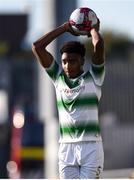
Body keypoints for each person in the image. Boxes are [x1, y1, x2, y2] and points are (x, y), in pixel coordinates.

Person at [32, 18, 105, 179]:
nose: (67, 66)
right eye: (64, 62)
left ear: (82, 61)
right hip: (66, 148)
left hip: (91, 148)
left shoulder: (94, 77)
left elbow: (98, 46)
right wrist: (65, 27)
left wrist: (92, 30)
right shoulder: (58, 78)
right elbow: (37, 47)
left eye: (72, 61)